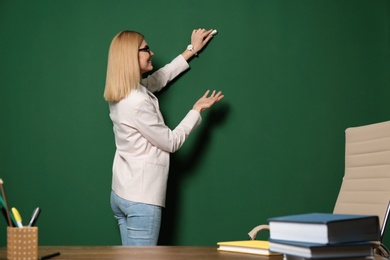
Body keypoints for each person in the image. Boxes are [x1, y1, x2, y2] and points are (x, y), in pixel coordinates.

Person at [103, 28, 224, 246]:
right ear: (131, 56)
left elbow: (159, 78)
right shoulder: (137, 102)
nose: (152, 53)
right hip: (141, 198)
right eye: (146, 49)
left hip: (121, 192)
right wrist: (196, 110)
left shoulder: (121, 91)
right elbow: (171, 141)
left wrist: (191, 50)